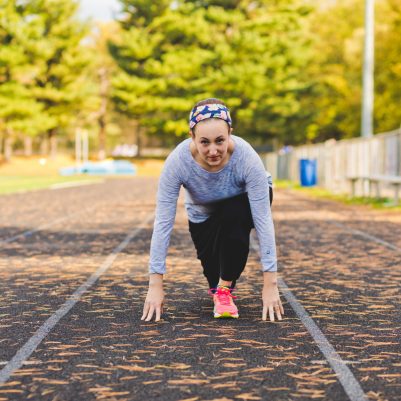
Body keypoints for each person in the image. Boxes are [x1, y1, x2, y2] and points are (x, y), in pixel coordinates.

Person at [141, 98, 284, 322]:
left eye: (220, 141)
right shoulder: (177, 162)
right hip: (203, 212)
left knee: (233, 214)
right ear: (192, 137)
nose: (213, 150)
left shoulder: (246, 157)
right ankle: (222, 285)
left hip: (240, 203)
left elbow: (263, 219)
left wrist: (271, 284)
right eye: (204, 142)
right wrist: (155, 284)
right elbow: (163, 222)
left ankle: (224, 289)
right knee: (213, 274)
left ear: (230, 134)